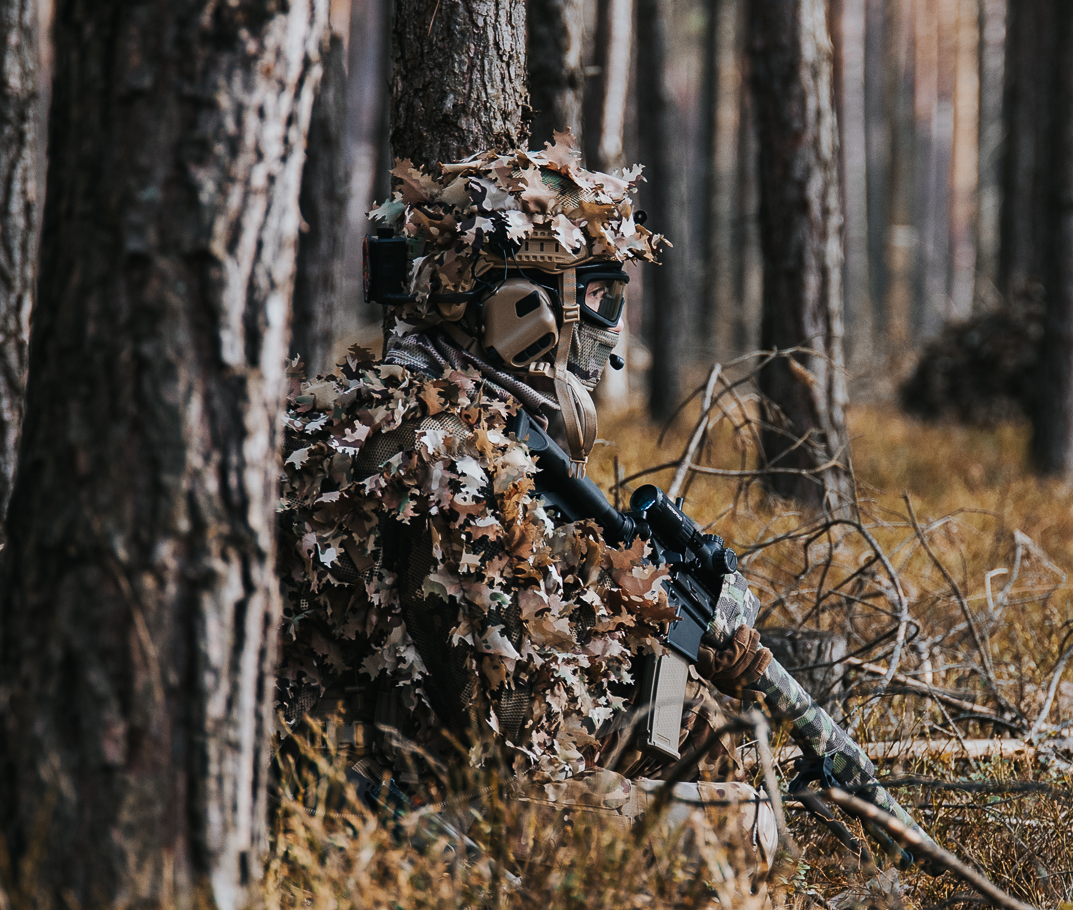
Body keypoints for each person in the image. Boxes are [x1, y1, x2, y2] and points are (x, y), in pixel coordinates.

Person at [276, 138, 740, 806]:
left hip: (365, 780)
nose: (608, 329)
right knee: (744, 826)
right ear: (527, 312)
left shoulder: (384, 412)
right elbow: (521, 768)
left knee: (701, 733)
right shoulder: (453, 471)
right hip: (369, 823)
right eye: (601, 296)